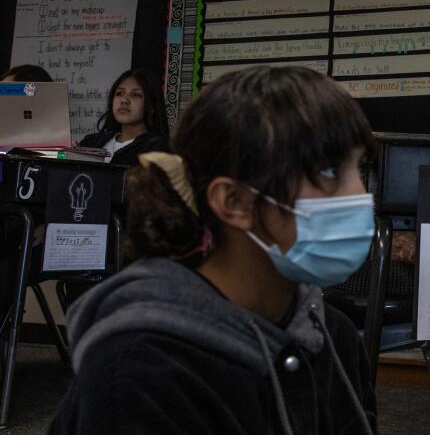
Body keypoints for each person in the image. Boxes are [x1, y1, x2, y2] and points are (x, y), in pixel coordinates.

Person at [50, 66, 378, 435]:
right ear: (233, 202)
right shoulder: (139, 373)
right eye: (330, 171)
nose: (360, 197)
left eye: (360, 169)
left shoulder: (335, 336)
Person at [78, 69, 170, 165]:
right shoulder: (91, 142)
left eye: (135, 95)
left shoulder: (157, 150)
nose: (124, 100)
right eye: (119, 93)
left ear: (152, 106)